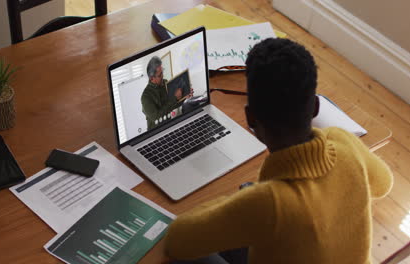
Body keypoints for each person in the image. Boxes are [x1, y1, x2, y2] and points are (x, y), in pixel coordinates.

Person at [163, 38, 393, 263]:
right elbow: (383, 184)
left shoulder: (267, 203)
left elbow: (177, 241)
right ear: (315, 106)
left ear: (250, 118)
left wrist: (242, 201)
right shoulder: (343, 141)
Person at [141, 56, 191, 130]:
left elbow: (173, 105)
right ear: (151, 78)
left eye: (162, 72)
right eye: (159, 75)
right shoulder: (145, 97)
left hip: (170, 126)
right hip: (156, 133)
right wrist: (175, 98)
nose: (162, 76)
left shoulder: (165, 83)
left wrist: (184, 96)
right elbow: (157, 117)